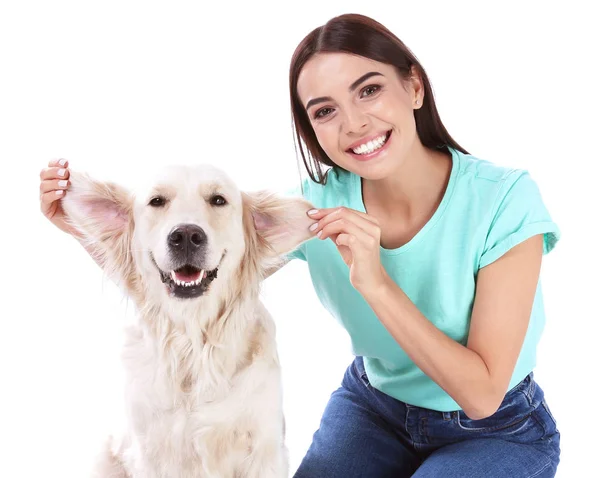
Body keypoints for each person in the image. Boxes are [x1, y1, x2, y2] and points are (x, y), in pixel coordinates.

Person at [39, 13, 561, 477]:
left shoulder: (505, 201)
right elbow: (185, 280)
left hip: (499, 428)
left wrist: (376, 284)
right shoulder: (311, 209)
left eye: (369, 90)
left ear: (415, 87)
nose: (354, 123)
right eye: (324, 111)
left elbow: (483, 395)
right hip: (375, 409)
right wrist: (84, 228)